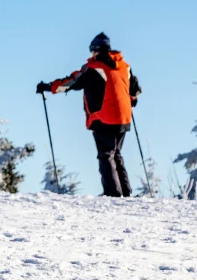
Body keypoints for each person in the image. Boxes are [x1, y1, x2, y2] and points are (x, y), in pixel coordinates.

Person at [37, 32, 142, 197]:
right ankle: (125, 192)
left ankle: (113, 194)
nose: (91, 54)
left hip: (103, 117)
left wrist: (48, 87)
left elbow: (70, 82)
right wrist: (132, 99)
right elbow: (135, 90)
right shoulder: (125, 67)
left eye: (92, 51)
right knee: (116, 154)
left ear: (96, 50)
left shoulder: (94, 68)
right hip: (124, 117)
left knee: (106, 155)